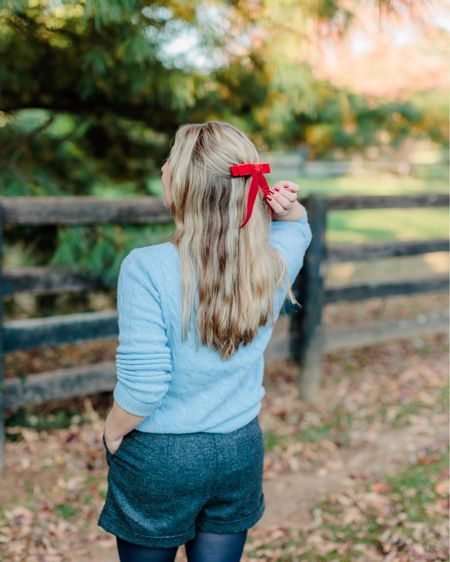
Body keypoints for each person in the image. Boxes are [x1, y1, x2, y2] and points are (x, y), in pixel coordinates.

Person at [97, 121, 313, 562]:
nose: (163, 169)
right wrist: (284, 208)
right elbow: (298, 228)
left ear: (182, 185)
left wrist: (112, 432)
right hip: (238, 448)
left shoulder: (146, 267)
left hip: (161, 454)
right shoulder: (270, 267)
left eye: (169, 163)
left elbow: (144, 386)